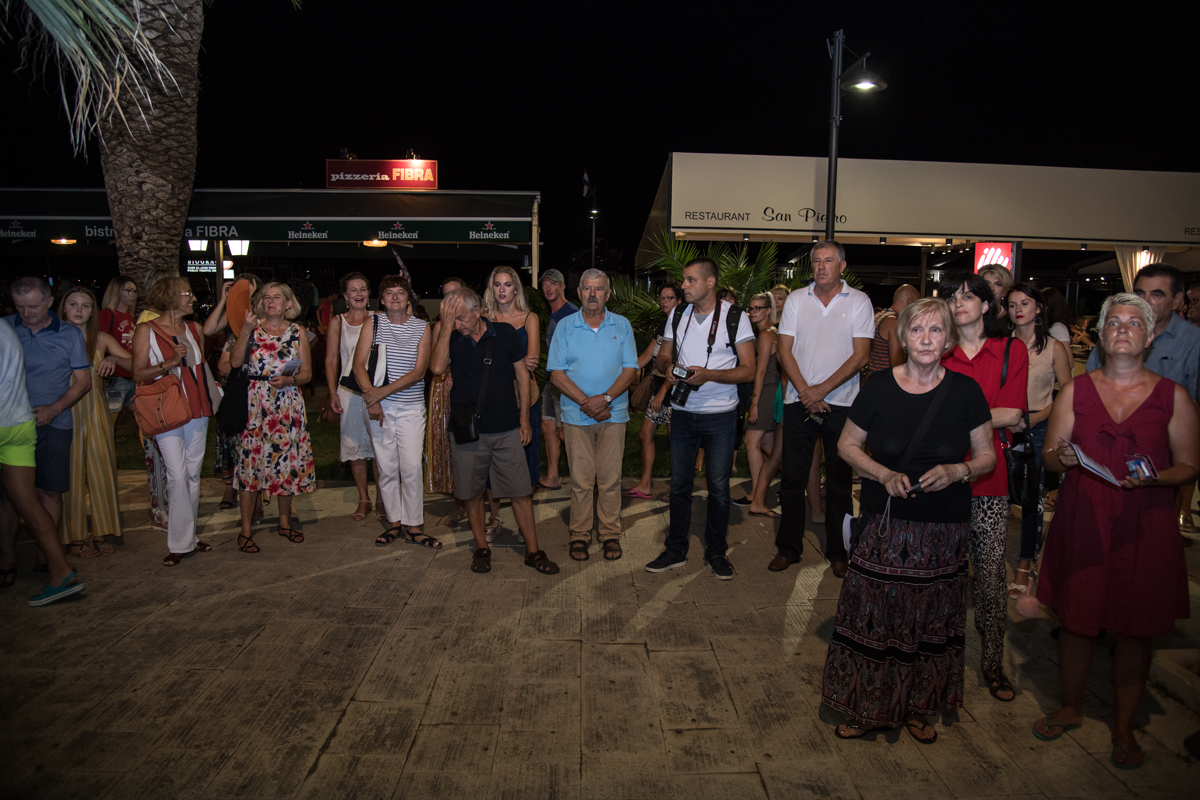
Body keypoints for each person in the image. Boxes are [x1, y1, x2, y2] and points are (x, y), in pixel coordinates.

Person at [1032, 292, 1199, 769]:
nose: (1122, 329)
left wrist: (1157, 478)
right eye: (1113, 322)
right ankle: (1071, 705)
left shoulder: (1174, 396)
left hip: (1146, 520)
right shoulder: (1075, 392)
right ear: (1102, 336)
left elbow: (1190, 465)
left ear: (1148, 338)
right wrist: (1062, 458)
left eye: (1133, 323)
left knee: (1136, 626)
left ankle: (1124, 726)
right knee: (1077, 618)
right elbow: (1050, 457)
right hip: (1085, 515)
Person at [824, 298, 995, 742]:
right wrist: (882, 473)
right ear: (903, 337)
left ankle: (919, 707)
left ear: (949, 339)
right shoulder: (879, 386)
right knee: (875, 621)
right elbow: (846, 445)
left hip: (943, 531)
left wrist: (957, 470)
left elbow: (987, 457)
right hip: (886, 525)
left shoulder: (966, 391)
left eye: (936, 330)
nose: (925, 339)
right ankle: (869, 709)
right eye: (917, 330)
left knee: (930, 624)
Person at [940, 271, 1028, 702]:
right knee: (944, 575)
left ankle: (993, 663)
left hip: (990, 482)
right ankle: (940, 661)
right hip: (942, 479)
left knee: (991, 577)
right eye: (951, 297)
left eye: (967, 296)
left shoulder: (1010, 350)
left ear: (986, 304)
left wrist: (953, 416)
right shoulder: (938, 351)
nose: (958, 303)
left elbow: (1013, 414)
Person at [431, 289, 558, 575]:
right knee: (472, 493)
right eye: (452, 319)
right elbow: (437, 367)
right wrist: (446, 326)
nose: (457, 324)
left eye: (460, 317)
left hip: (506, 428)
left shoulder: (505, 333)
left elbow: (522, 377)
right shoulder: (451, 337)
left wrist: (524, 420)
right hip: (468, 432)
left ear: (478, 311)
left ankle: (534, 551)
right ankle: (481, 547)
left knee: (521, 492)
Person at [646, 257, 755, 580]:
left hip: (720, 415)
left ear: (710, 282)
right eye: (684, 280)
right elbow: (663, 354)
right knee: (679, 485)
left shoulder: (735, 317)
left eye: (691, 280)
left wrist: (710, 375)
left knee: (719, 488)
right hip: (682, 414)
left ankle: (716, 552)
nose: (684, 286)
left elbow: (748, 370)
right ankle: (675, 549)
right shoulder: (678, 314)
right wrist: (668, 368)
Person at [771, 241, 874, 575]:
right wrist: (806, 391)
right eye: (816, 261)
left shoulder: (859, 301)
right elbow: (783, 350)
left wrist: (821, 390)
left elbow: (861, 356)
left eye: (828, 260)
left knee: (840, 483)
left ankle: (840, 551)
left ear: (842, 266)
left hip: (841, 404)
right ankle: (788, 548)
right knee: (792, 479)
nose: (821, 266)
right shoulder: (797, 299)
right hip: (798, 402)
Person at [1086, 265, 1200, 533]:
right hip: (1109, 448)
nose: (1146, 301)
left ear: (1178, 300)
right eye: (1140, 293)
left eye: (1157, 294)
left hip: (1164, 456)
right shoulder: (1114, 335)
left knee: (1152, 530)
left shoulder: (1193, 341)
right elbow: (1088, 388)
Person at [1, 277, 92, 569]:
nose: (26, 313)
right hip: (11, 423)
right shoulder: (6, 329)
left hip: (54, 424)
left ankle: (48, 560)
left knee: (50, 491)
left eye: (33, 306)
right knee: (8, 497)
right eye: (20, 307)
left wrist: (54, 409)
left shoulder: (69, 334)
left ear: (50, 302)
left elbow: (83, 382)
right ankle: (6, 559)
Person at [548, 268, 637, 561]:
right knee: (581, 480)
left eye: (598, 289)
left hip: (614, 414)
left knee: (610, 480)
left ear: (607, 294)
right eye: (587, 288)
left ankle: (610, 534)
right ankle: (579, 535)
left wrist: (605, 399)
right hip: (576, 416)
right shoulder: (565, 327)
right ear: (578, 292)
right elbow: (557, 374)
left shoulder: (622, 325)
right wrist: (587, 403)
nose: (593, 294)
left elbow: (630, 371)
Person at [130, 277, 216, 566]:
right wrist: (169, 363)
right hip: (166, 409)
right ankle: (179, 542)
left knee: (192, 475)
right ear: (169, 297)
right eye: (187, 293)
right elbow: (138, 374)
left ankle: (187, 538)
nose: (193, 298)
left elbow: (199, 369)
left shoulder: (194, 329)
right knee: (177, 475)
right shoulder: (146, 331)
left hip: (196, 407)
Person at [0, 318, 84, 606]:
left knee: (29, 499)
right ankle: (60, 571)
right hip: (19, 424)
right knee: (27, 503)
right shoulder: (6, 329)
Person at [231, 281, 316, 553]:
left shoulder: (298, 331)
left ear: (289, 303)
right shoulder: (251, 329)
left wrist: (290, 380)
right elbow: (234, 363)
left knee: (285, 462)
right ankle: (245, 530)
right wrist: (245, 331)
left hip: (287, 404)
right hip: (255, 404)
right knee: (250, 464)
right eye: (266, 297)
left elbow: (307, 374)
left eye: (277, 297)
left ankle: (284, 521)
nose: (271, 301)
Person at [354, 275, 435, 547]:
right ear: (382, 299)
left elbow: (419, 372)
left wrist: (380, 392)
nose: (395, 297)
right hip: (378, 407)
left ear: (408, 298)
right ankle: (394, 522)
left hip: (410, 407)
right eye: (389, 293)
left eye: (400, 292)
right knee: (387, 468)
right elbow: (358, 365)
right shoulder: (373, 323)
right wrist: (372, 398)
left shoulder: (422, 327)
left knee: (411, 466)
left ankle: (414, 525)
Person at [1006, 284, 1072, 594]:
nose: (1018, 309)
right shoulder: (1002, 344)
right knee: (1000, 497)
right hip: (1005, 426)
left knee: (1032, 500)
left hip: (1038, 427)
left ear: (1038, 309)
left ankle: (1025, 564)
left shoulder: (1053, 347)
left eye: (1025, 303)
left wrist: (1040, 416)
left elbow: (1068, 393)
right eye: (1012, 304)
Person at [58, 286, 131, 557]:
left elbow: (134, 363)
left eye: (86, 305)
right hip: (65, 411)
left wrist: (113, 357)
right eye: (73, 304)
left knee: (102, 470)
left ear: (93, 311)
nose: (79, 310)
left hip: (96, 409)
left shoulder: (100, 338)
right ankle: (74, 536)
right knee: (71, 474)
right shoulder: (54, 337)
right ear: (63, 307)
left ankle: (101, 531)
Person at [482, 266, 542, 539]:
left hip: (523, 397)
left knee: (527, 458)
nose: (502, 289)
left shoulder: (530, 318)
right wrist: (515, 363)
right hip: (492, 398)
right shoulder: (483, 318)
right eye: (497, 284)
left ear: (516, 289)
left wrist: (503, 364)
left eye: (507, 284)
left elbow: (532, 361)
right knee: (490, 460)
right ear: (491, 289)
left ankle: (523, 522)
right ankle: (494, 517)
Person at [324, 272, 381, 522]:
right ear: (345, 296)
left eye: (363, 289)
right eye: (353, 290)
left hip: (376, 392)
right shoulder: (338, 322)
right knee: (355, 447)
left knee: (379, 447)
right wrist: (331, 393)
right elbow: (330, 361)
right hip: (348, 393)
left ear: (369, 294)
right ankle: (363, 499)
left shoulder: (380, 318)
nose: (359, 294)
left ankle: (383, 498)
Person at [624, 282, 682, 500]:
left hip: (674, 390)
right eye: (662, 298)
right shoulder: (663, 325)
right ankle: (645, 484)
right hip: (659, 387)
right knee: (645, 433)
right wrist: (620, 374)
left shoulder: (683, 326)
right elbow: (646, 357)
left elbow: (679, 365)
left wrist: (662, 392)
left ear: (679, 301)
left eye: (669, 298)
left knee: (676, 439)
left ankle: (679, 490)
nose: (664, 302)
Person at [138, 267, 181, 531]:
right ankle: (160, 512)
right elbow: (140, 365)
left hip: (167, 398)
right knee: (157, 459)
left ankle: (168, 509)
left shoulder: (164, 320)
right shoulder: (149, 322)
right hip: (156, 398)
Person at [734, 292, 780, 507]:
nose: (753, 312)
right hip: (770, 390)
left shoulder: (766, 335)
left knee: (751, 442)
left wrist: (754, 403)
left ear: (768, 310)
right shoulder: (768, 332)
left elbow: (759, 372)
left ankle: (755, 494)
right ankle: (799, 478)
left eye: (758, 308)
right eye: (751, 308)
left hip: (766, 391)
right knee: (769, 446)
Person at [426, 278, 464, 507]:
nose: (451, 299)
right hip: (443, 385)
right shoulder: (439, 326)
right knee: (447, 442)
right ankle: (456, 494)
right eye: (447, 295)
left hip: (466, 384)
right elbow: (435, 363)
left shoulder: (477, 320)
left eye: (456, 293)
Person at [539, 269, 578, 490]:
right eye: (545, 284)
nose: (548, 287)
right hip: (550, 380)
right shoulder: (553, 314)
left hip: (566, 382)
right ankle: (552, 477)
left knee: (566, 431)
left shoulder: (571, 313)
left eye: (553, 283)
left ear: (562, 286)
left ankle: (585, 478)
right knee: (548, 427)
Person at [97, 275, 139, 426]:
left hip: (130, 375)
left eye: (135, 291)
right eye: (128, 291)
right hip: (115, 376)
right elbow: (101, 342)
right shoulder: (107, 314)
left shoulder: (131, 317)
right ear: (116, 292)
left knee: (144, 418)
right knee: (109, 423)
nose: (133, 295)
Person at [866, 284, 919, 378]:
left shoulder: (879, 316)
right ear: (909, 302)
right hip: (886, 381)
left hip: (873, 378)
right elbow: (896, 364)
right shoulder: (894, 323)